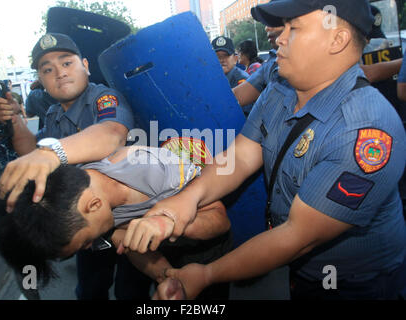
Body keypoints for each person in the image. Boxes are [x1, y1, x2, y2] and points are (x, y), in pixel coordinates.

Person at [126, 0, 406, 300]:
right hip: (301, 269)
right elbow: (242, 156)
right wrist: (185, 200)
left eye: (294, 27)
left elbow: (296, 237)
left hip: (359, 283)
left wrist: (207, 274)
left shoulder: (365, 131)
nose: (280, 37)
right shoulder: (281, 89)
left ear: (337, 40)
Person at [0, 32, 134, 300]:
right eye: (48, 69)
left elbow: (111, 133)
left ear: (86, 65)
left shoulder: (104, 98)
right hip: (83, 222)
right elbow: (31, 153)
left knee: (131, 289)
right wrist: (14, 119)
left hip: (127, 215)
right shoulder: (53, 114)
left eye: (67, 63)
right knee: (90, 290)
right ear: (41, 81)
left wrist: (52, 154)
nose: (59, 73)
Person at [0, 146, 232, 299]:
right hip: (173, 260)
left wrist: (168, 222)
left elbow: (220, 220)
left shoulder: (154, 170)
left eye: (85, 242)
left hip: (208, 255)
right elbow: (130, 245)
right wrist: (167, 276)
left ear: (94, 205)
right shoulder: (82, 210)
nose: (89, 248)